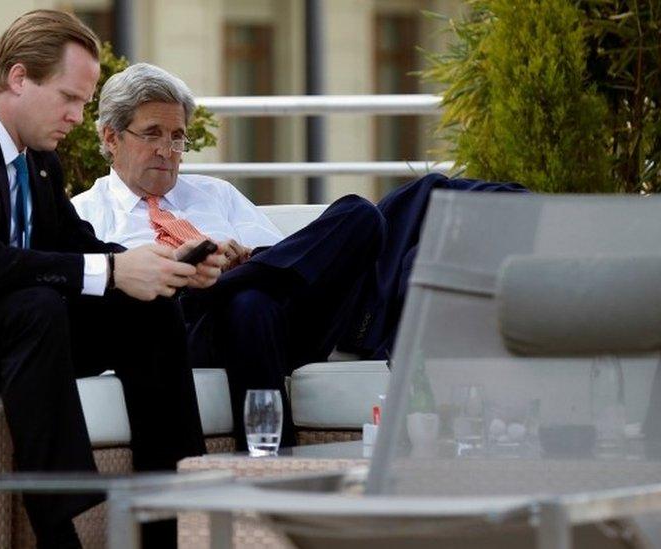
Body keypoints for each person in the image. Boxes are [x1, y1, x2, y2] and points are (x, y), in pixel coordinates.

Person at [0, 13, 223, 548]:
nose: (78, 116)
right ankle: (61, 530)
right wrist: (113, 271)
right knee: (36, 306)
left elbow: (75, 246)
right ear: (20, 78)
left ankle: (168, 522)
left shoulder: (37, 159)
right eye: (69, 98)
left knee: (148, 308)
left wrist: (166, 266)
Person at [71, 62, 526, 451]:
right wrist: (190, 272)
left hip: (291, 323)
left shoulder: (215, 194)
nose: (168, 152)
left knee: (361, 213)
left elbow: (286, 262)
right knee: (248, 304)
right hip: (189, 328)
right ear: (111, 137)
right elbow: (105, 307)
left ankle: (538, 207)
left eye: (177, 138)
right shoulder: (86, 214)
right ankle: (271, 455)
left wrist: (244, 259)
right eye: (152, 135)